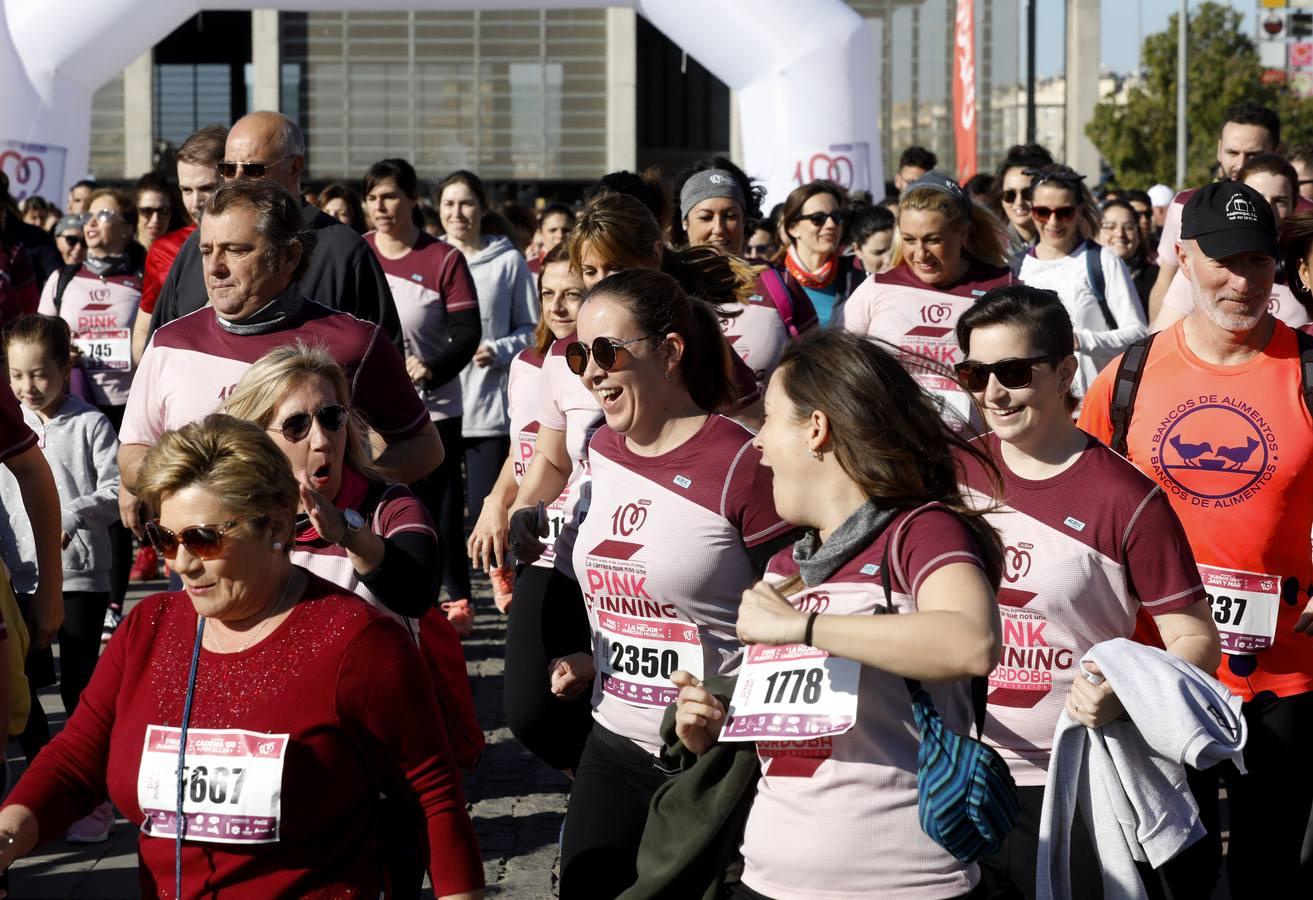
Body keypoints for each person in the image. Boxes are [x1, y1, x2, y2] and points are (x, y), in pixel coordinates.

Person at [0, 414, 485, 898]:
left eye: (203, 539)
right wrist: (7, 833)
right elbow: (76, 761)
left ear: (274, 523)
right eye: (164, 539)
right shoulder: (147, 628)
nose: (181, 563)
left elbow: (434, 801)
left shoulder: (359, 642)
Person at [672, 327, 1005, 900]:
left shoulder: (920, 531)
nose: (757, 444)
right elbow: (803, 721)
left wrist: (803, 627)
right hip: (767, 879)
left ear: (817, 429)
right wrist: (715, 721)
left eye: (770, 419)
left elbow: (972, 641)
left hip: (902, 883)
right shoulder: (785, 564)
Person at [1079, 179, 1313, 895]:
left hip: (1281, 677)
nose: (1241, 280)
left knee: (1265, 875)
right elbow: (1085, 511)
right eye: (1221, 261)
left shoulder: (1308, 367)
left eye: (1257, 261)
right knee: (1163, 875)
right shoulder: (1128, 377)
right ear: (1180, 257)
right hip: (1156, 674)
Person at [951, 285, 1220, 899]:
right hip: (961, 771)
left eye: (1014, 373)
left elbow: (1196, 637)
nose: (992, 394)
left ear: (1066, 369)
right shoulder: (950, 472)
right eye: (974, 373)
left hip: (1073, 777)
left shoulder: (1127, 498)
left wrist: (1127, 695)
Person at [552, 268, 794, 898]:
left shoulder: (744, 463)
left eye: (607, 352)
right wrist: (594, 653)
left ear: (670, 352)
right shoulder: (599, 447)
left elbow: (796, 617)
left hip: (713, 756)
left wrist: (728, 705)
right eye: (579, 354)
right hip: (611, 737)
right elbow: (625, 587)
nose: (589, 373)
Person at [118, 180, 443, 544]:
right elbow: (133, 451)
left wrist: (354, 490)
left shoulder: (354, 341)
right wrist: (182, 482)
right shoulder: (169, 342)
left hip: (320, 573)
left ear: (288, 256)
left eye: (236, 250)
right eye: (206, 251)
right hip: (203, 560)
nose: (215, 268)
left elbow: (424, 447)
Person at [2, 315, 121, 841]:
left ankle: (90, 793)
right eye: (17, 375)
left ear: (66, 366)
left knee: (78, 687)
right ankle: (39, 788)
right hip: (18, 576)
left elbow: (120, 489)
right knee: (25, 691)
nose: (29, 387)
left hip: (80, 576)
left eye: (41, 374)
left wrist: (73, 515)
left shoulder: (91, 423)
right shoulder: (9, 421)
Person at [149, 111, 400, 342]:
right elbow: (161, 347)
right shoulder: (198, 245)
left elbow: (379, 361)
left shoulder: (343, 251)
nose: (236, 181)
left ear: (294, 168)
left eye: (252, 170)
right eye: (227, 168)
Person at [364, 159, 483, 635]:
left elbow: (467, 330)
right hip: (367, 416)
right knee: (377, 507)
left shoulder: (442, 258)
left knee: (437, 511)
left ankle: (448, 600)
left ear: (413, 200)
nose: (380, 206)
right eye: (372, 197)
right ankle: (384, 598)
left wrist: (431, 368)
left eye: (390, 196)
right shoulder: (359, 252)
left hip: (433, 410)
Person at [435, 169, 538, 618]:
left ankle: (501, 573)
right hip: (438, 401)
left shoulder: (507, 260)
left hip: (489, 404)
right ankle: (458, 595)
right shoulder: (433, 258)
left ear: (481, 208)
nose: (458, 213)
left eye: (467, 203)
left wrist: (497, 349)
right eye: (449, 204)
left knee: (486, 504)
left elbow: (532, 330)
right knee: (442, 508)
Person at [838, 171, 1012, 428]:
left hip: (979, 453)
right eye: (909, 240)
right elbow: (838, 367)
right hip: (896, 450)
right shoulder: (877, 286)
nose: (920, 254)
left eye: (933, 240)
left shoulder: (1002, 287)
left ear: (963, 233)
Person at [468, 243, 581, 615]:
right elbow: (524, 451)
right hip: (535, 545)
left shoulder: (609, 369)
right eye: (548, 293)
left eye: (572, 294)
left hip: (586, 551)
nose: (557, 307)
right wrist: (496, 501)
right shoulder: (524, 362)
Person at [671, 159, 820, 387]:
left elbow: (817, 371)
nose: (719, 229)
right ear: (684, 222)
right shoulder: (665, 285)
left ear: (744, 221)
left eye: (730, 215)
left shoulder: (780, 282)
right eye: (705, 217)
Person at [1014, 164, 1146, 397]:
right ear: (1031, 211)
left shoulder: (1102, 260)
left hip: (1089, 406)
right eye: (1043, 212)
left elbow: (1137, 334)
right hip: (1032, 406)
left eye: (1064, 212)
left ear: (1079, 211)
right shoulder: (1016, 267)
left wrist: (1081, 340)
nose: (1053, 222)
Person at [1147, 102, 1280, 320]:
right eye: (1232, 152)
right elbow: (1164, 281)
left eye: (1253, 154)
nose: (1240, 163)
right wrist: (1154, 342)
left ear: (1277, 152)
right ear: (1219, 150)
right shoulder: (1185, 205)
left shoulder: (1304, 213)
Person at [1153, 154, 1310, 332]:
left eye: (1280, 201)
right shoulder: (1201, 264)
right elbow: (1162, 339)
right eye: (1255, 197)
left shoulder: (1305, 262)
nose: (1267, 208)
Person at [38, 188, 143, 422]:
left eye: (104, 214)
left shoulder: (144, 280)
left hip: (130, 404)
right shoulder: (61, 279)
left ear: (127, 228)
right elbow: (40, 340)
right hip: (72, 402)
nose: (91, 222)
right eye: (87, 216)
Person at [135, 125, 227, 366]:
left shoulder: (265, 244)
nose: (196, 202)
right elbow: (145, 332)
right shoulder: (165, 248)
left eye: (207, 188)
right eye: (186, 190)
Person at [772, 180, 858, 326]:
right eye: (818, 218)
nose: (831, 225)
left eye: (836, 217)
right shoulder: (772, 280)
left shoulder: (858, 276)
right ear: (793, 228)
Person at [992, 143, 1056, 256]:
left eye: (1027, 194)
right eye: (1009, 195)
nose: (1019, 202)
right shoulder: (988, 249)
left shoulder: (1070, 247)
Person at [1098, 198, 1157, 316]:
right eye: (1110, 227)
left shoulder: (1157, 279)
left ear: (1138, 236)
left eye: (1129, 227)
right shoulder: (1086, 275)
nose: (1120, 234)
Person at [0, 174, 60, 287]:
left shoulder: (32, 242)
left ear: (4, 208)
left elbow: (57, 281)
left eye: (42, 218)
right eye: (33, 218)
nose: (38, 222)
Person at [133, 172, 185, 252]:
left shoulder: (182, 254)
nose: (155, 219)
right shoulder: (121, 254)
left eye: (163, 211)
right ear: (135, 212)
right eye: (147, 211)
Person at [847, 203, 896, 276]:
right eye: (878, 253)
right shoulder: (843, 277)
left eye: (894, 250)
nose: (888, 260)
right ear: (857, 249)